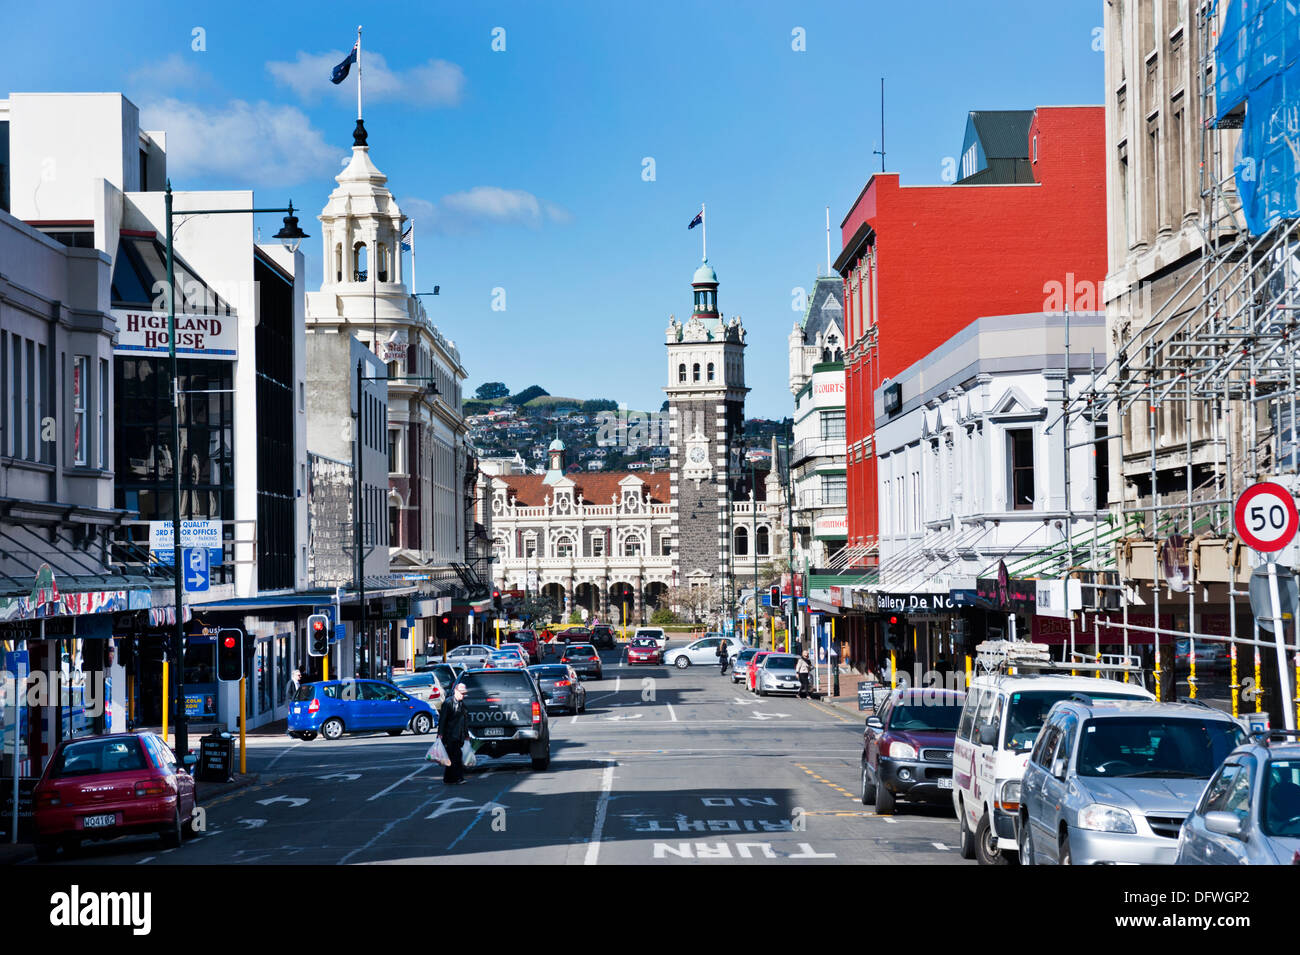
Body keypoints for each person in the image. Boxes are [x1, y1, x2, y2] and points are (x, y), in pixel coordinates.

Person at [438, 682, 470, 785]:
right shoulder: (448, 703)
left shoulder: (462, 705)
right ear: (455, 691)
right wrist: (440, 734)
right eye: (461, 693)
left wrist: (466, 735)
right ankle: (458, 778)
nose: (463, 695)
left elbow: (464, 721)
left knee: (452, 757)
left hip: (458, 735)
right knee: (456, 757)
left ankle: (448, 779)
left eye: (464, 693)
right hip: (449, 735)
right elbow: (442, 720)